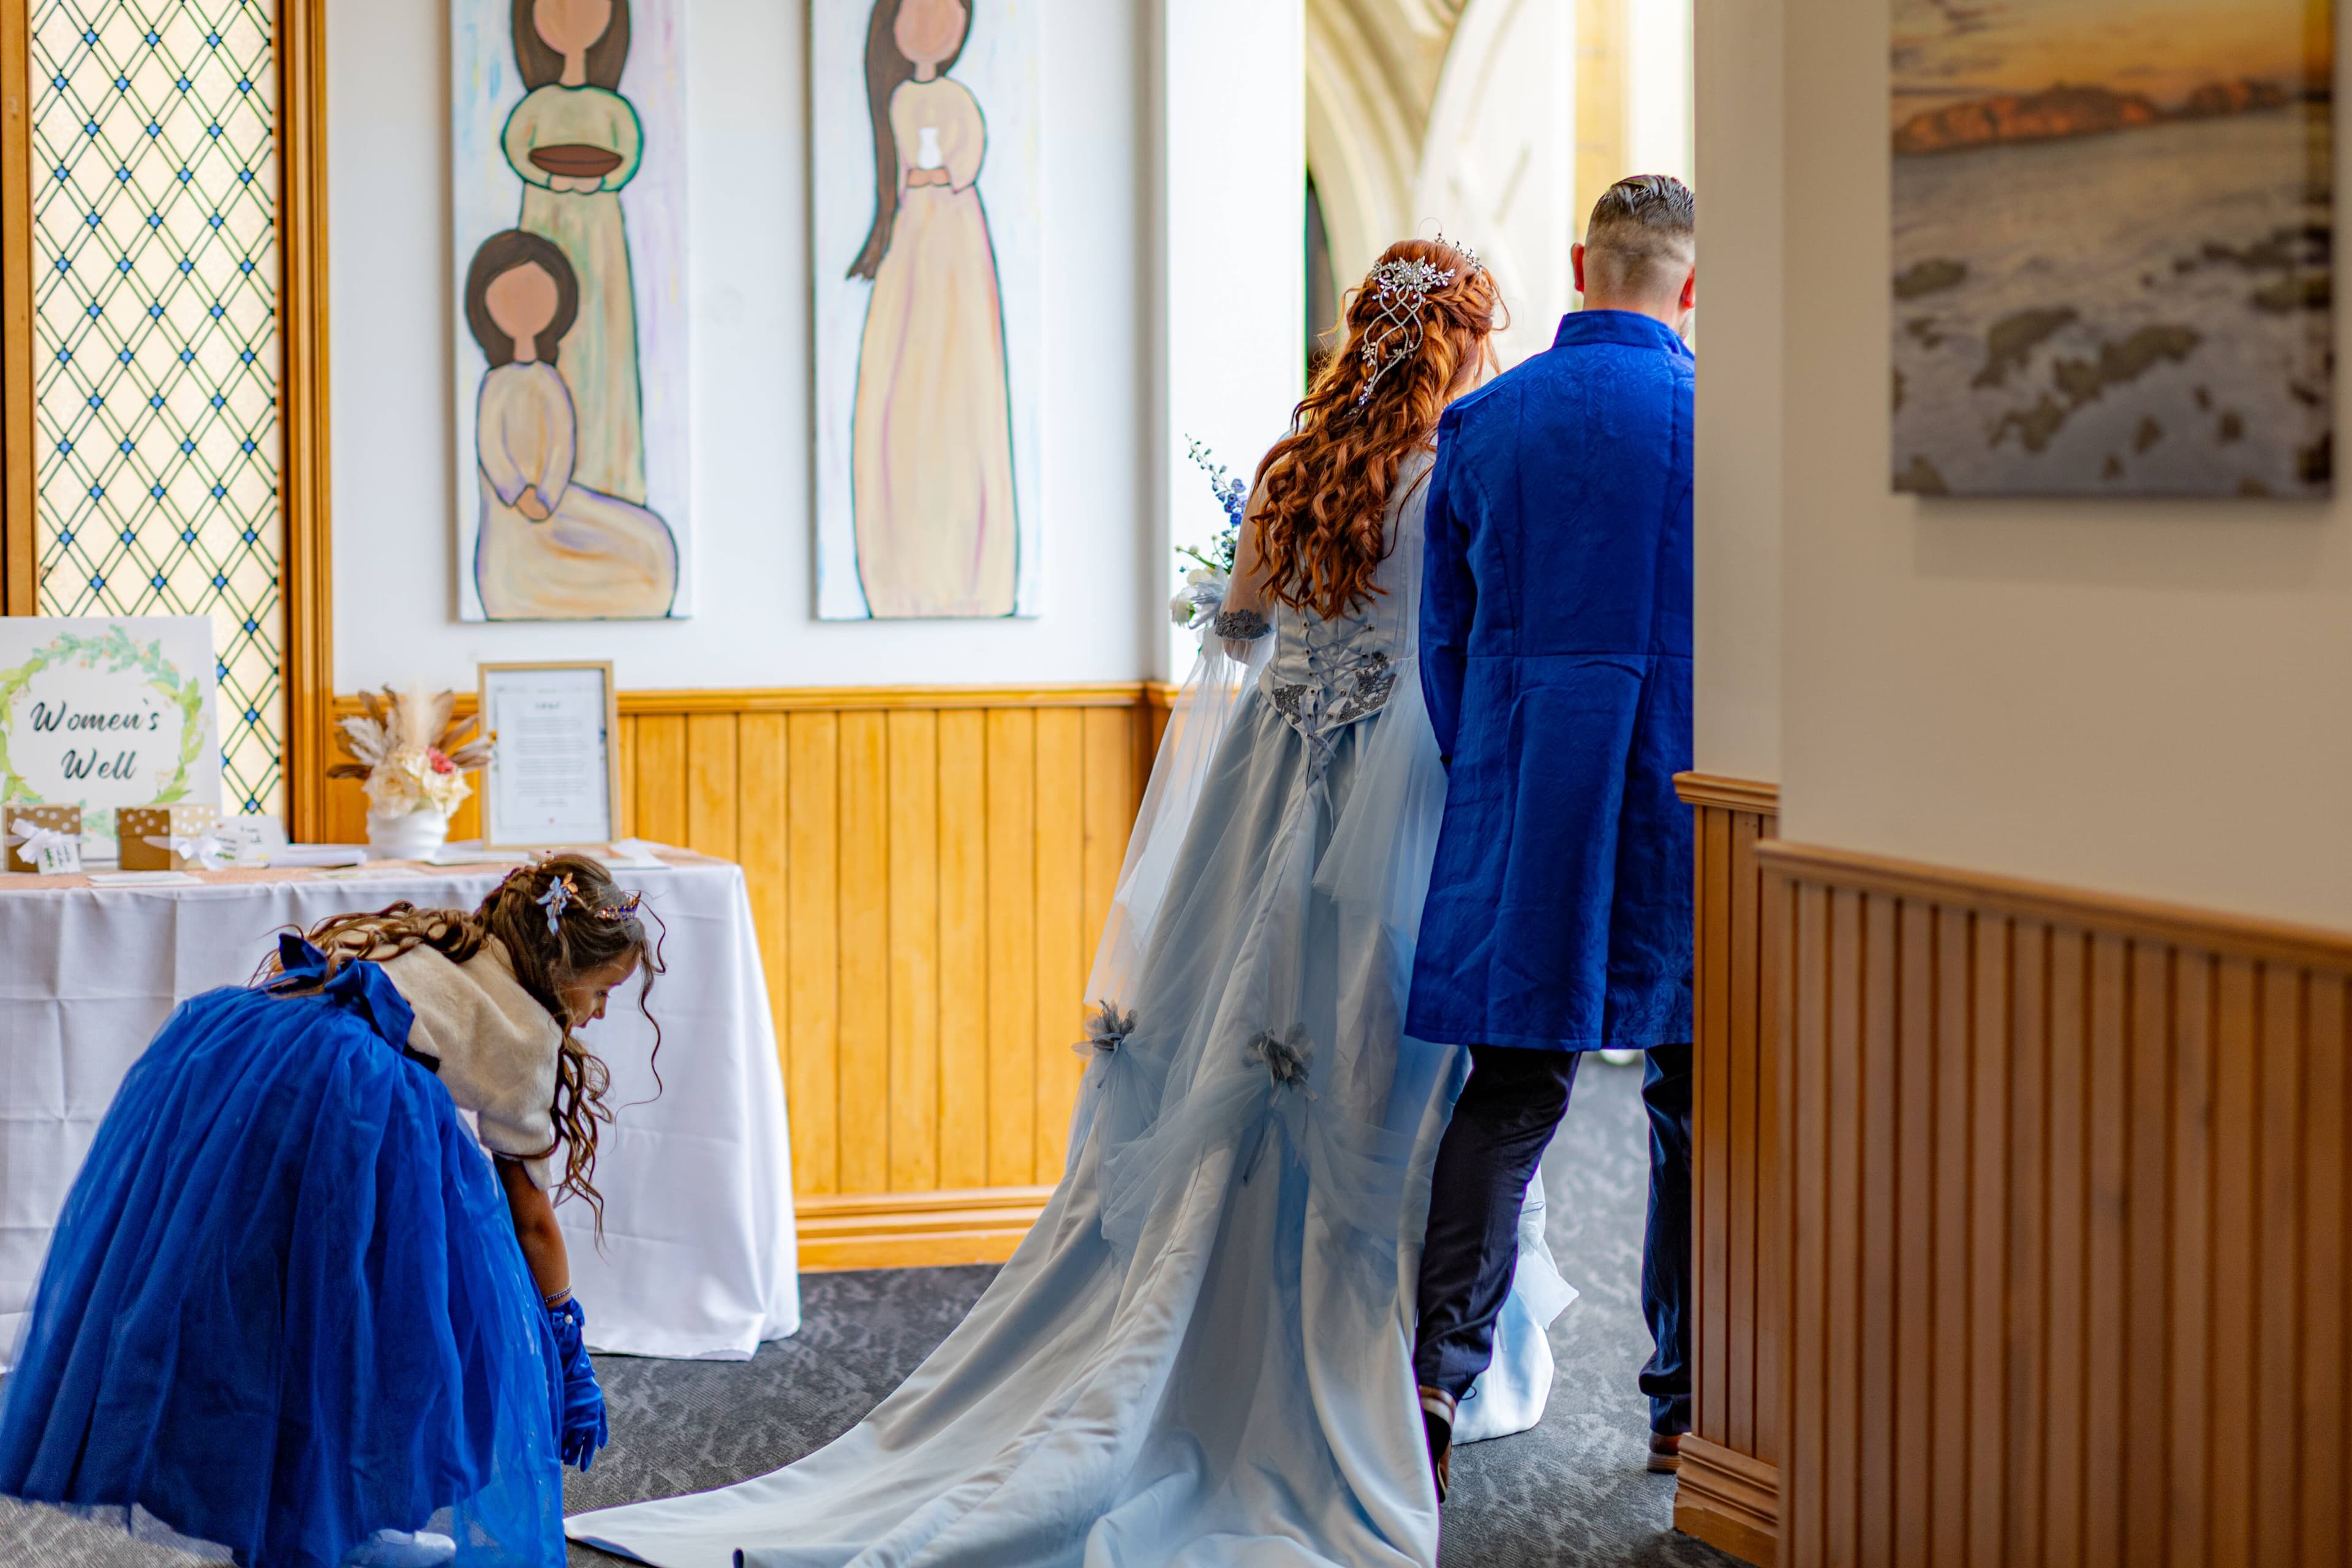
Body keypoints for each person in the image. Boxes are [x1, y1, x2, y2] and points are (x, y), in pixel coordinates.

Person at [568, 237, 1567, 1568]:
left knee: (1250, 1030)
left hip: (1270, 781)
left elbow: (1240, 629)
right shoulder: (1455, 471)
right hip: (1400, 793)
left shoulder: (1294, 466)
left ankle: (1199, 1311)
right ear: (1461, 344)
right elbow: (1464, 642)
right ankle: (1373, 1356)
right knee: (1378, 1052)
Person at [0, 856, 662, 1567]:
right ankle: (336, 1532)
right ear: (559, 964)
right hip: (350, 1110)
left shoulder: (446, 938)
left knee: (277, 1322)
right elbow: (530, 1215)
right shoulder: (529, 1036)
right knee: (389, 1330)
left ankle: (289, 1523)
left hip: (250, 1061)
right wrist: (565, 1337)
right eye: (600, 992)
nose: (597, 1012)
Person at [1408, 174, 1698, 1493]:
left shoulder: (1484, 423)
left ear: (1584, 263)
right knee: (1696, 1101)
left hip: (1529, 788)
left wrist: (1498, 771)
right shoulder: (1729, 422)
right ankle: (1690, 1406)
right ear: (1688, 285)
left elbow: (1445, 650)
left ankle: (1434, 1381)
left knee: (1514, 1088)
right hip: (1688, 799)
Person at [847, 0, 1020, 619]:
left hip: (954, 237)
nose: (929, 28)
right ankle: (899, 568)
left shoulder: (957, 100)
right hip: (911, 241)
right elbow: (898, 170)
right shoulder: (895, 101)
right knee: (904, 378)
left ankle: (970, 566)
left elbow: (963, 160)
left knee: (959, 371)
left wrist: (942, 174)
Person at [466, 229, 679, 620]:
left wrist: (546, 495)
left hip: (555, 502)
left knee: (650, 541)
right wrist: (519, 493)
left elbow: (563, 444)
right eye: (510, 296)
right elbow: (491, 449)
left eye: (537, 295)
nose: (524, 307)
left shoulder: (549, 381)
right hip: (511, 520)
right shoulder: (496, 384)